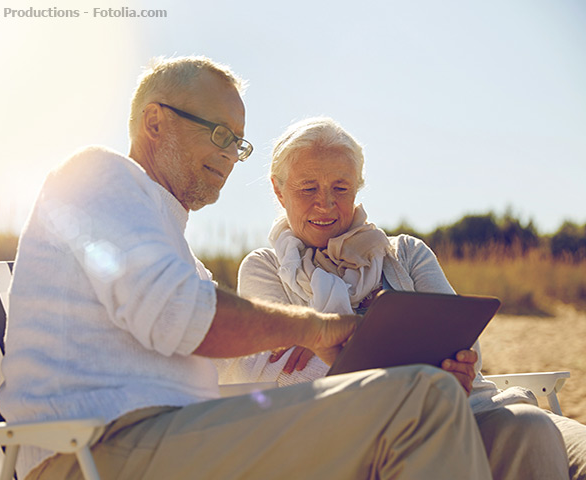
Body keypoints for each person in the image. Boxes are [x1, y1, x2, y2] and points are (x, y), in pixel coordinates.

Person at [0, 56, 493, 480]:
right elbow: (183, 316)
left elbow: (200, 329)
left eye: (238, 142)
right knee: (421, 400)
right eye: (218, 133)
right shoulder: (97, 174)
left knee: (417, 409)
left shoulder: (176, 249)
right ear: (155, 122)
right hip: (97, 451)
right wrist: (319, 328)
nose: (230, 155)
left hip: (174, 440)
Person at [217, 116, 586, 480]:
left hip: (464, 406)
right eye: (308, 188)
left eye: (341, 188)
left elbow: (464, 345)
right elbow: (285, 377)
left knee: (533, 425)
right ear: (279, 191)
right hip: (354, 435)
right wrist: (411, 362)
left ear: (358, 189)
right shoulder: (264, 268)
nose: (326, 204)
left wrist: (330, 341)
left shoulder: (406, 253)